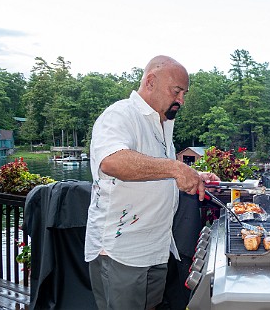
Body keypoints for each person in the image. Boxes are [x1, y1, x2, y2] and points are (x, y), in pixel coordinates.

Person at [85, 55, 219, 310]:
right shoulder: (120, 114)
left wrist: (193, 176)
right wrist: (176, 167)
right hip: (122, 252)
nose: (181, 99)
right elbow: (112, 161)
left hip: (155, 248)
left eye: (184, 93)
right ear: (150, 82)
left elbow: (155, 171)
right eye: (176, 91)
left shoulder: (162, 123)